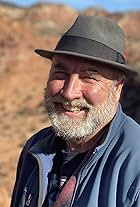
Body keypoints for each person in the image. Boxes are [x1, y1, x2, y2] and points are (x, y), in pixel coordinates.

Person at [10, 15, 140, 207]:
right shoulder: (35, 148)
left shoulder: (135, 163)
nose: (69, 93)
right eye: (60, 73)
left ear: (117, 87)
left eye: (89, 78)